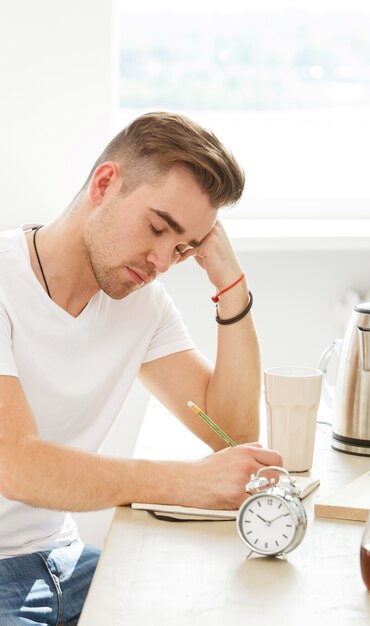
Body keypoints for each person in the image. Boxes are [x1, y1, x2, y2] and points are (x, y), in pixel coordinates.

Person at [0, 111, 282, 624]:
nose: (160, 261)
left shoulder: (141, 304)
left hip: (66, 562)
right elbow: (15, 466)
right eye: (157, 227)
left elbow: (231, 434)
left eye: (182, 248)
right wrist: (187, 483)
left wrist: (229, 281)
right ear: (105, 184)